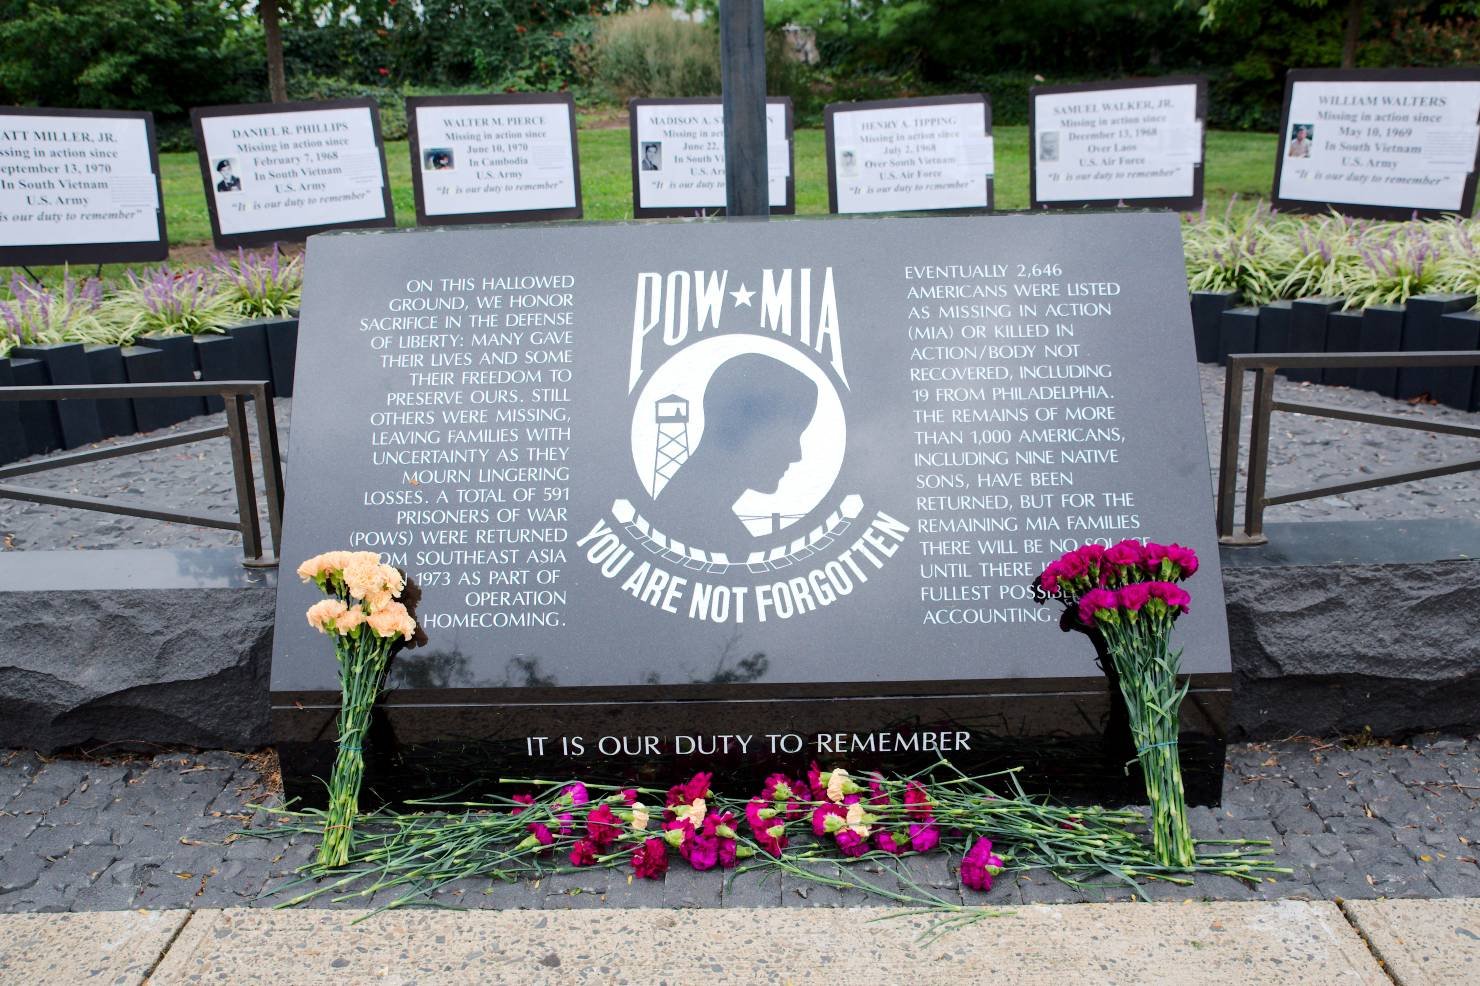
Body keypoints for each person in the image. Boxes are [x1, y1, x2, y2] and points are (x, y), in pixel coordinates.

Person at [654, 353, 818, 555]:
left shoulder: (699, 529)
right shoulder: (691, 530)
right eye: (787, 436)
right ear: (742, 431)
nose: (796, 454)